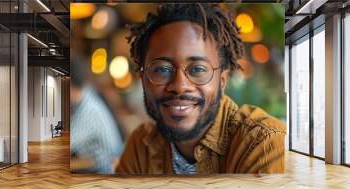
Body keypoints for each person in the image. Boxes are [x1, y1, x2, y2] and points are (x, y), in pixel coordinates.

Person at [116, 3, 286, 174]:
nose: (180, 86)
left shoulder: (261, 141)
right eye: (162, 69)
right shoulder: (142, 144)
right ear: (143, 79)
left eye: (197, 69)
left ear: (222, 80)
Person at [70, 55, 123, 174]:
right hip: (92, 166)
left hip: (106, 172)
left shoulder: (89, 109)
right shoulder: (87, 95)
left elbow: (68, 143)